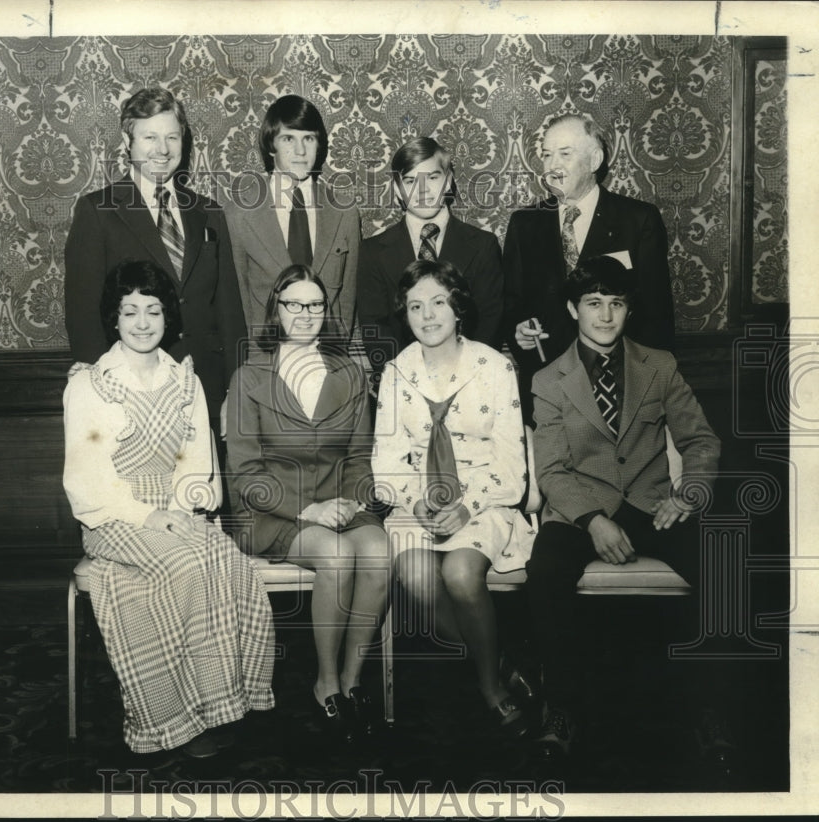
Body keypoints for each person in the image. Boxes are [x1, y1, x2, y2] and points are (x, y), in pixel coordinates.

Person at [62, 260, 274, 758]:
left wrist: (182, 509)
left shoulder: (185, 380)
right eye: (130, 312)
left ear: (168, 318)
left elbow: (196, 464)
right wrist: (149, 517)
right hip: (114, 517)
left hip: (177, 509)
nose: (142, 323)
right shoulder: (89, 385)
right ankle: (174, 718)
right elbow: (88, 478)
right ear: (113, 319)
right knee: (184, 564)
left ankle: (221, 702)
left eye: (153, 312)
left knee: (226, 562)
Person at [527, 256, 720, 759]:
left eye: (616, 304)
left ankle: (709, 706)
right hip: (579, 507)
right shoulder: (549, 380)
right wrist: (592, 522)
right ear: (573, 309)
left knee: (720, 564)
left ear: (628, 310)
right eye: (594, 303)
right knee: (545, 571)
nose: (606, 315)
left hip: (653, 505)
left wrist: (688, 494)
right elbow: (550, 471)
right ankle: (561, 708)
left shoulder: (659, 365)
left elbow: (700, 441)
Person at [372, 259, 536, 739]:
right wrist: (418, 502)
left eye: (438, 303)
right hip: (418, 500)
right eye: (415, 306)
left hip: (483, 499)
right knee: (417, 574)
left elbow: (513, 469)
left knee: (461, 574)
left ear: (458, 308)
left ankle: (489, 687)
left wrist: (466, 506)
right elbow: (385, 463)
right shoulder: (396, 372)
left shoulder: (494, 366)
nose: (427, 316)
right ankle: (498, 657)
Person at [225, 265, 389, 742]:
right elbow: (245, 472)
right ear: (275, 310)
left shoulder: (350, 374)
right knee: (336, 555)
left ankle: (355, 680)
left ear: (326, 311)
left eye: (314, 305)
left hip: (340, 501)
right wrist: (308, 511)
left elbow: (359, 458)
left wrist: (354, 501)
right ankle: (327, 682)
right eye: (292, 304)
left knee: (378, 553)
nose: (304, 314)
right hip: (270, 511)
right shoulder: (249, 376)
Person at [64, 87, 246, 433]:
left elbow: (229, 312)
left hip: (203, 390)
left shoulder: (208, 212)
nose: (162, 149)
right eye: (150, 137)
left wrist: (234, 393)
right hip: (129, 394)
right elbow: (83, 313)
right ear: (127, 141)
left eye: (172, 137)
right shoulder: (98, 211)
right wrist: (101, 393)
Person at [502, 113, 674, 419]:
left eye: (565, 154)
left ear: (594, 160)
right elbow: (512, 303)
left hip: (620, 390)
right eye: (546, 155)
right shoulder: (524, 224)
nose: (552, 166)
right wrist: (518, 329)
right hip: (548, 388)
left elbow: (655, 314)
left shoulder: (638, 220)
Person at [358, 137, 505, 374]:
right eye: (410, 180)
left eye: (432, 178)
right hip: (402, 386)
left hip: (470, 383)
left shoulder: (483, 246)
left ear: (448, 182)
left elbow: (489, 324)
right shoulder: (373, 252)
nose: (422, 190)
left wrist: (460, 380)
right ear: (397, 189)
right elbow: (376, 330)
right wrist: (412, 383)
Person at [224, 95, 361, 345]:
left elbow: (347, 302)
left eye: (308, 138)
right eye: (288, 139)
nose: (300, 151)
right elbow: (241, 305)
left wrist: (336, 365)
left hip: (327, 364)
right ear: (270, 145)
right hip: (267, 364)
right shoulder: (239, 214)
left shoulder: (345, 212)